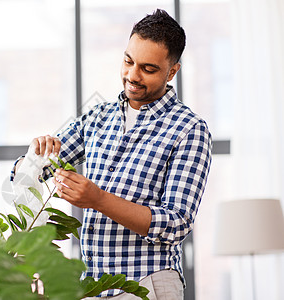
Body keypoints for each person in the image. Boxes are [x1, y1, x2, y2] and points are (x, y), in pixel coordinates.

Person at [11, 9, 212, 300]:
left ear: (172, 71)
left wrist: (98, 200)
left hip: (146, 283)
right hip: (93, 287)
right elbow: (35, 170)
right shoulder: (97, 118)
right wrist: (34, 154)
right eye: (128, 61)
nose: (132, 75)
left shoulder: (188, 129)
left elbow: (176, 223)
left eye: (148, 68)